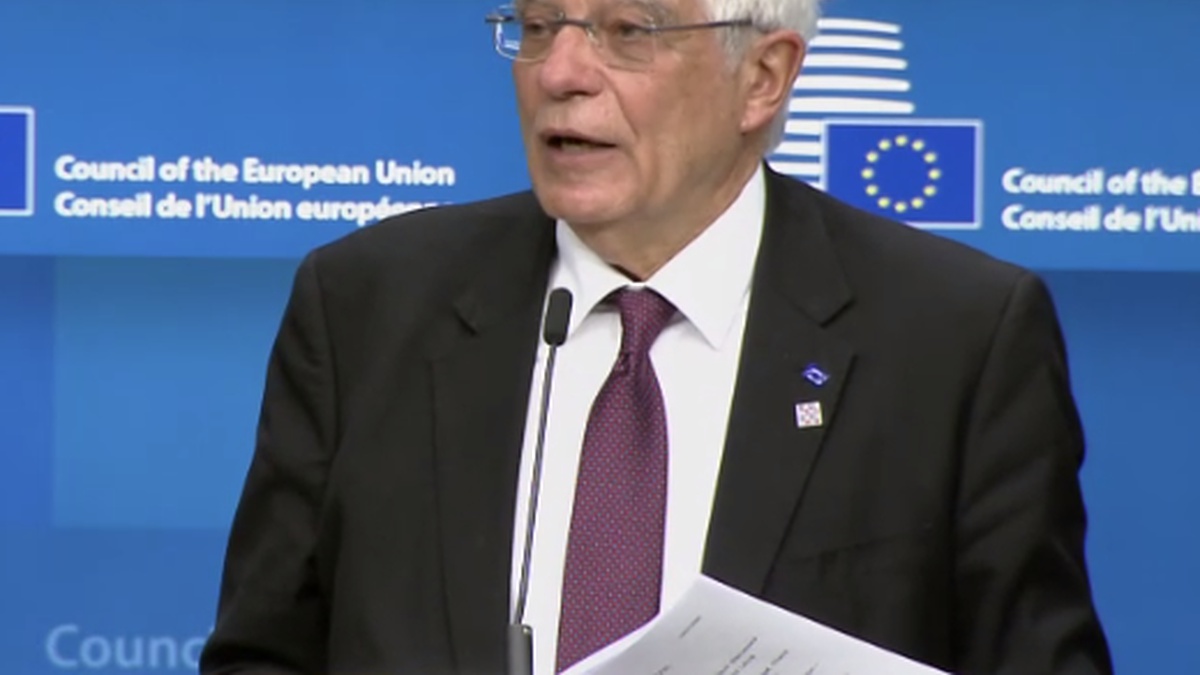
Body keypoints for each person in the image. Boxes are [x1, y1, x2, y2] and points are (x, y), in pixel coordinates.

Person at [199, 0, 1114, 673]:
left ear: (764, 77)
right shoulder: (367, 306)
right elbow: (262, 654)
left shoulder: (955, 338)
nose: (560, 71)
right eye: (539, 25)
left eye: (628, 31)